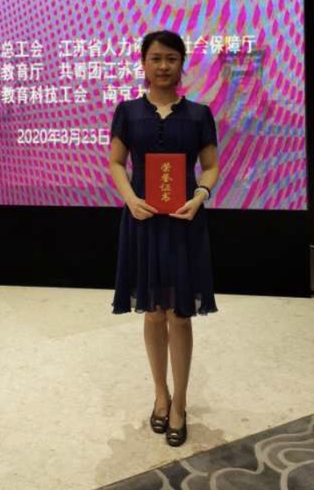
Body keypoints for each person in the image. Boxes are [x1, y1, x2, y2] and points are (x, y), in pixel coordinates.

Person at [110, 30, 219, 447]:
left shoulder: (199, 115)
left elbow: (210, 166)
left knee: (180, 315)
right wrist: (129, 198)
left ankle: (180, 404)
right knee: (153, 313)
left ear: (182, 64)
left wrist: (200, 196)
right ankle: (160, 394)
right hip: (142, 221)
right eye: (155, 58)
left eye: (171, 58)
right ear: (143, 63)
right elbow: (116, 162)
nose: (163, 66)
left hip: (184, 222)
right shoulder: (127, 112)